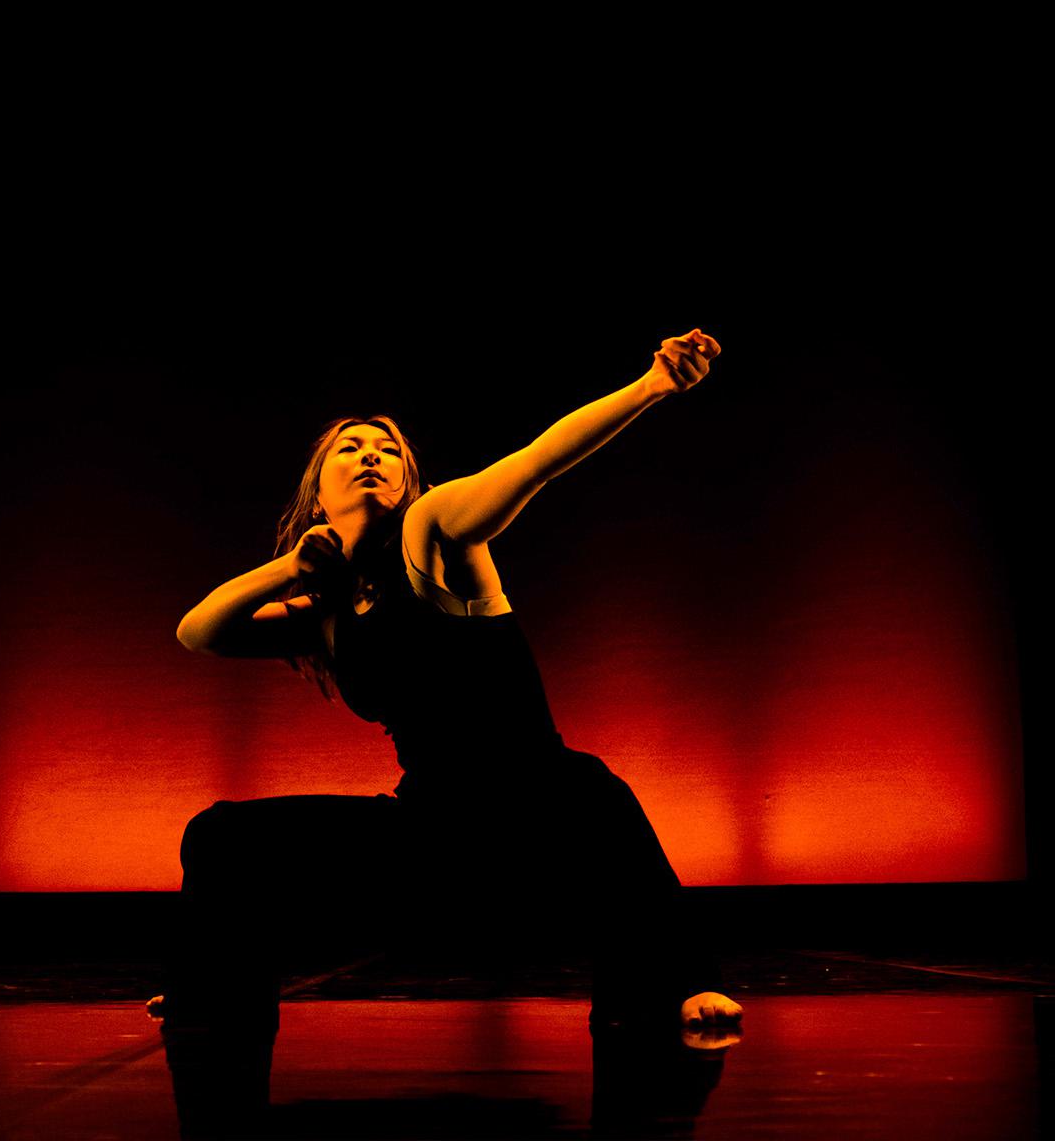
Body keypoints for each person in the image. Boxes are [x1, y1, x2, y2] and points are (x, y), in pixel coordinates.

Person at [152, 329, 743, 1100]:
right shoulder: (327, 609)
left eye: (387, 449)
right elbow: (198, 632)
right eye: (348, 448)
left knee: (593, 793)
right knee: (220, 834)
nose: (370, 455)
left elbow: (534, 463)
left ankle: (681, 983)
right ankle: (215, 995)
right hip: (430, 831)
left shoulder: (432, 533)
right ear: (316, 488)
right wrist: (290, 567)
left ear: (407, 477)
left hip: (542, 819)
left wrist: (652, 386)